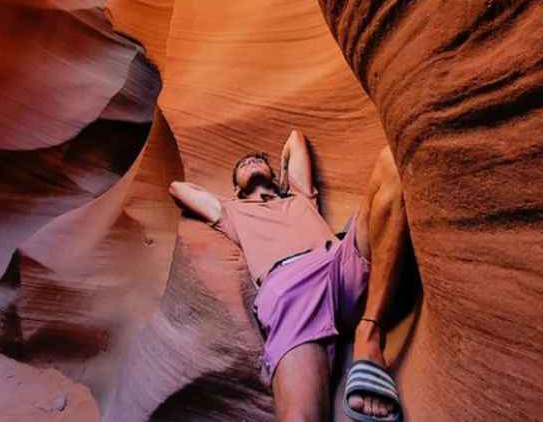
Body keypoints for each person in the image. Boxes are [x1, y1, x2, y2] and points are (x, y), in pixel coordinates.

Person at [169, 130, 408, 422]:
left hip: (338, 260)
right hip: (290, 292)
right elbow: (178, 189)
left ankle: (368, 333)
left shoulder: (300, 195)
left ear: (276, 175)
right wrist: (236, 198)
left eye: (258, 160)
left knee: (392, 164)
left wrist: (284, 180)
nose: (251, 162)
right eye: (243, 166)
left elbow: (295, 140)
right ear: (235, 189)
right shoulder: (231, 211)